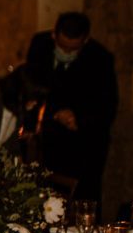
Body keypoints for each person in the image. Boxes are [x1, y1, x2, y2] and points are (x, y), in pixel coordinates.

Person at [26, 11, 117, 204]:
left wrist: (78, 119)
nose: (66, 53)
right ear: (54, 35)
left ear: (85, 40)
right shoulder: (40, 45)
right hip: (49, 138)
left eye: (72, 50)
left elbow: (107, 106)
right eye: (62, 47)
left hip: (85, 144)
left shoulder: (100, 59)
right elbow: (31, 84)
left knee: (82, 198)